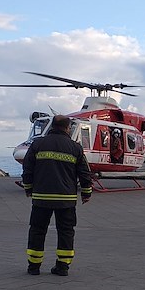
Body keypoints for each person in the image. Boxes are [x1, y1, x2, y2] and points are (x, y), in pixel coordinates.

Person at [22, 115, 92, 276]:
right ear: (68, 128)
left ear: (53, 126)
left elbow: (27, 168)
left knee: (37, 231)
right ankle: (62, 267)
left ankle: (34, 266)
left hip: (41, 198)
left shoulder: (38, 144)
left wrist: (28, 189)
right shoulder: (75, 148)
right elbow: (84, 173)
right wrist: (86, 193)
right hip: (66, 200)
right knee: (66, 231)